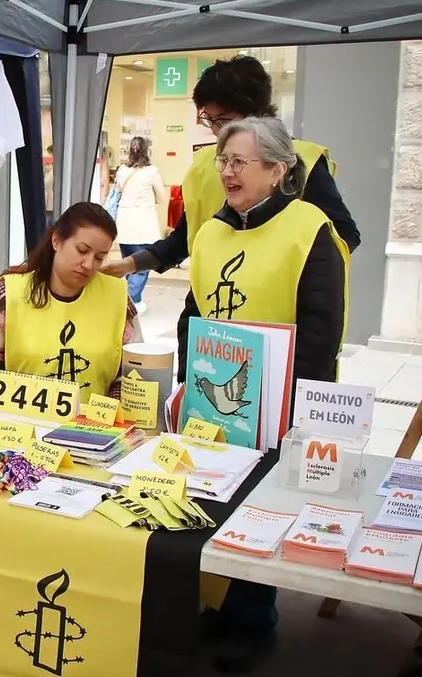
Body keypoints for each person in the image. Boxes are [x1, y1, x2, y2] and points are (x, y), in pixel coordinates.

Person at [181, 117, 347, 673]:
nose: (226, 172)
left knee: (259, 507)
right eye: (222, 161)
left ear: (277, 170)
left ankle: (254, 621)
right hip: (215, 401)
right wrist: (188, 378)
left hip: (281, 404)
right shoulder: (209, 232)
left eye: (240, 163)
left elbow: (322, 329)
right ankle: (216, 606)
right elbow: (194, 311)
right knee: (208, 501)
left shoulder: (310, 228)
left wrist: (290, 404)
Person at [102, 55, 360, 280]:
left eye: (224, 120)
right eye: (209, 120)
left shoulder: (303, 160)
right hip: (215, 313)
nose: (217, 131)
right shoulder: (204, 165)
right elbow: (184, 238)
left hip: (281, 320)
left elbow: (343, 235)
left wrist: (296, 276)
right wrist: (131, 264)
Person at [0, 202, 142, 403]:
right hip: (18, 426)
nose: (89, 264)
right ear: (56, 240)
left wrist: (110, 411)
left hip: (95, 429)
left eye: (99, 257)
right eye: (82, 250)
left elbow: (134, 376)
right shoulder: (8, 296)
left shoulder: (117, 299)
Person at [107, 136, 166, 305]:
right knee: (141, 266)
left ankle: (125, 300)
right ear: (147, 150)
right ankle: (132, 302)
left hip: (124, 224)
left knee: (127, 264)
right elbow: (161, 198)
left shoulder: (122, 171)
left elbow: (118, 192)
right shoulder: (152, 172)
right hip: (143, 225)